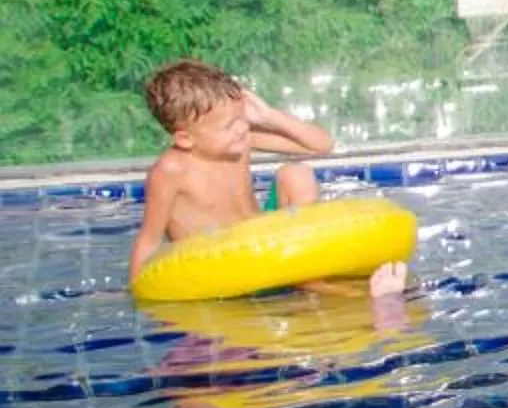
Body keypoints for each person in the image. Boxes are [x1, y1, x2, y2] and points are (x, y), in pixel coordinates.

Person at [129, 61, 404, 293]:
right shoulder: (171, 171)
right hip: (221, 263)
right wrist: (138, 291)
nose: (240, 129)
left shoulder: (241, 139)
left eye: (242, 119)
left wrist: (269, 115)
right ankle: (315, 283)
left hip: (266, 246)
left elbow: (321, 145)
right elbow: (149, 239)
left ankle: (308, 274)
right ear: (185, 138)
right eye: (229, 125)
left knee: (296, 173)